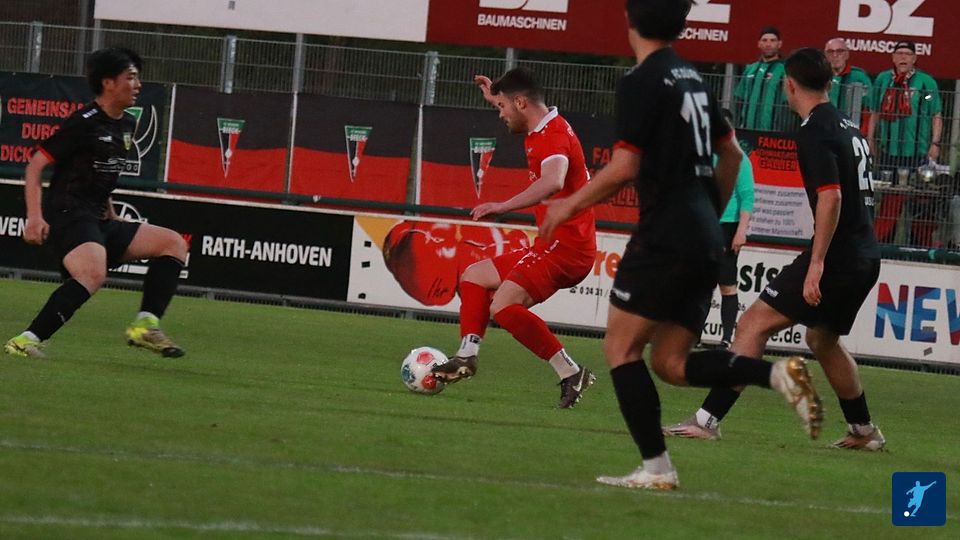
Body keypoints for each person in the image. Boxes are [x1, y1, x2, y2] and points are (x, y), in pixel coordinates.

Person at [540, 0, 822, 490]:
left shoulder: (640, 80)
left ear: (630, 20)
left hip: (666, 233)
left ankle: (657, 469)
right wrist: (710, 213)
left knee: (621, 348)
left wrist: (567, 206)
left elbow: (625, 167)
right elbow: (731, 154)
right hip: (703, 234)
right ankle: (777, 375)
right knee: (669, 363)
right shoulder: (693, 78)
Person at [664, 48, 886, 452]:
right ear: (829, 83)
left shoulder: (815, 129)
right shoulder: (849, 126)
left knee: (753, 325)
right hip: (865, 255)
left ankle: (706, 420)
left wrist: (817, 262)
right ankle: (864, 429)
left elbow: (832, 197)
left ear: (789, 84)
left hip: (837, 256)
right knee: (822, 339)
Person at [3, 47, 188, 359]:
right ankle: (24, 341)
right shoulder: (84, 122)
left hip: (98, 218)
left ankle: (145, 326)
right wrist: (34, 217)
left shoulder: (127, 124)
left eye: (138, 78)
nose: (138, 85)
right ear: (108, 83)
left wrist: (112, 214)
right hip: (67, 214)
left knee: (173, 244)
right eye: (130, 77)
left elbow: (100, 174)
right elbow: (35, 164)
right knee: (92, 273)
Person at [430, 67, 598, 409]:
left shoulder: (552, 134)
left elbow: (553, 180)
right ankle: (466, 355)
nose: (501, 114)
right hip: (552, 246)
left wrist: (502, 206)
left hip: (566, 250)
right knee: (474, 276)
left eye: (503, 107)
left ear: (521, 102)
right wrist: (495, 96)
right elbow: (518, 110)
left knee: (504, 306)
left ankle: (570, 371)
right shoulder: (541, 127)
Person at [867, 40, 943, 245]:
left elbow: (936, 114)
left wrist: (935, 144)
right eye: (899, 53)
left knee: (920, 204)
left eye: (907, 54)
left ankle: (920, 247)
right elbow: (874, 111)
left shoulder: (926, 83)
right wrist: (870, 138)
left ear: (914, 59)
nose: (903, 57)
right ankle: (882, 244)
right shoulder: (883, 79)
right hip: (889, 151)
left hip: (917, 152)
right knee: (889, 203)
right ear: (893, 58)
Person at [715, 109, 754, 349]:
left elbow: (747, 197)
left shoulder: (740, 160)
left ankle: (726, 337)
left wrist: (741, 230)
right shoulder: (706, 156)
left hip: (727, 226)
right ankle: (693, 335)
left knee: (726, 283)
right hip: (707, 224)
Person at [734, 26, 791, 131]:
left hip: (773, 133)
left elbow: (788, 103)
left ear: (779, 44)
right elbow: (739, 98)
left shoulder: (785, 71)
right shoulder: (750, 69)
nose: (768, 44)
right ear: (759, 44)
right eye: (764, 40)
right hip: (747, 131)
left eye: (772, 40)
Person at [824, 38, 873, 130]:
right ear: (825, 55)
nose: (835, 55)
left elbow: (869, 109)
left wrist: (863, 134)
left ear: (847, 55)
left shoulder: (859, 76)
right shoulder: (820, 75)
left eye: (839, 51)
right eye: (830, 52)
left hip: (850, 130)